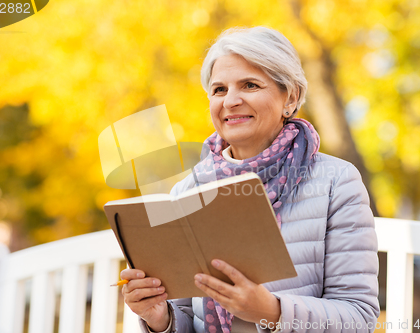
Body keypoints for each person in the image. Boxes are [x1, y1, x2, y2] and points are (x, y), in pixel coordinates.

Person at [121, 26, 380, 333]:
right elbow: (188, 320)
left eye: (250, 85)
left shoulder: (336, 181)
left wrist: (270, 311)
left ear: (291, 97)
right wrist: (160, 318)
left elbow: (359, 317)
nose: (230, 101)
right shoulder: (186, 192)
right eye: (219, 90)